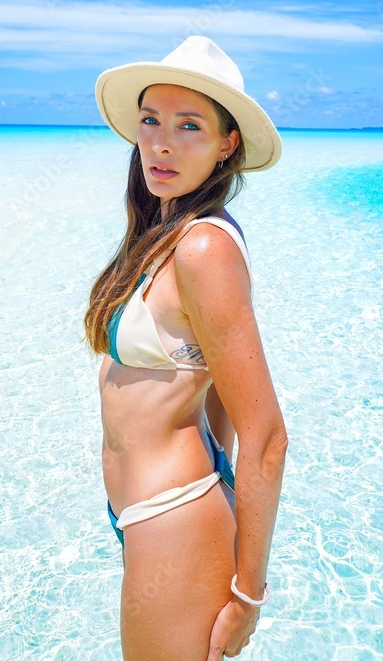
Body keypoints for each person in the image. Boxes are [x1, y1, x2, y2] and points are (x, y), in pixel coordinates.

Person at [85, 35, 288, 660]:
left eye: (189, 125)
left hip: (172, 514)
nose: (162, 142)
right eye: (151, 121)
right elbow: (218, 380)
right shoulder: (164, 232)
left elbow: (268, 436)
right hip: (153, 512)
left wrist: (247, 597)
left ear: (228, 143)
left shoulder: (203, 248)